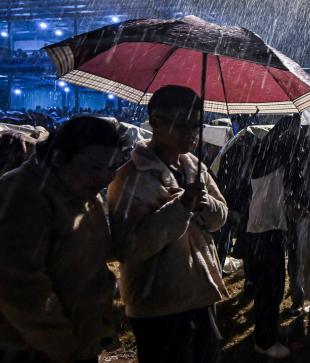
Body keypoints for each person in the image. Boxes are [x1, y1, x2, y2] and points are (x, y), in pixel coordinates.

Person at [107, 85, 228, 363]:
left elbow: (220, 216)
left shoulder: (194, 166)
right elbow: (128, 248)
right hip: (159, 304)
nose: (192, 134)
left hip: (200, 294)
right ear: (156, 123)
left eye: (196, 125)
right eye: (182, 125)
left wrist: (206, 205)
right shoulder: (131, 179)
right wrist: (181, 207)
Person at [0, 116, 122, 363]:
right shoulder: (24, 193)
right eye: (95, 168)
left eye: (112, 168)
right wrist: (64, 346)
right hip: (33, 349)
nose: (105, 178)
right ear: (59, 158)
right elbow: (20, 286)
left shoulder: (84, 193)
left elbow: (94, 260)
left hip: (78, 341)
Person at [243, 115, 300, 360]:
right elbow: (287, 154)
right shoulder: (267, 158)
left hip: (266, 229)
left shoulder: (266, 157)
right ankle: (264, 341)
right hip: (264, 231)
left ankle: (269, 329)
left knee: (271, 287)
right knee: (270, 287)